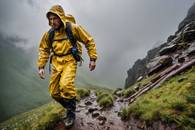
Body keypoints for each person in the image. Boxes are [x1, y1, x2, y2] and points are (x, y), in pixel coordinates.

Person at [37, 5, 97, 128]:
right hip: (56, 62)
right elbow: (44, 49)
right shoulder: (49, 34)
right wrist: (41, 66)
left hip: (70, 60)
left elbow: (88, 41)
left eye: (55, 18)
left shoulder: (73, 28)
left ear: (61, 17)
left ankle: (70, 114)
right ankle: (71, 106)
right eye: (50, 19)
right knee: (54, 93)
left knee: (65, 85)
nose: (52, 22)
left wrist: (92, 58)